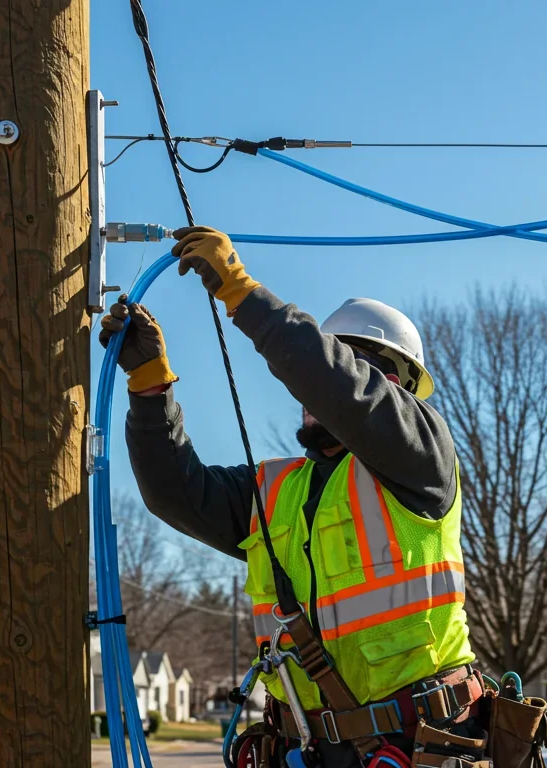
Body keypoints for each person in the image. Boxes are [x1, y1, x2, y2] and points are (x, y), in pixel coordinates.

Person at [100, 226, 483, 767]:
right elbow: (173, 492)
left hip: (412, 743)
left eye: (353, 363)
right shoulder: (275, 491)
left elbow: (336, 385)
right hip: (306, 748)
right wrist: (149, 385)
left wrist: (241, 291)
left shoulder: (421, 458)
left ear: (395, 386)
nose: (310, 388)